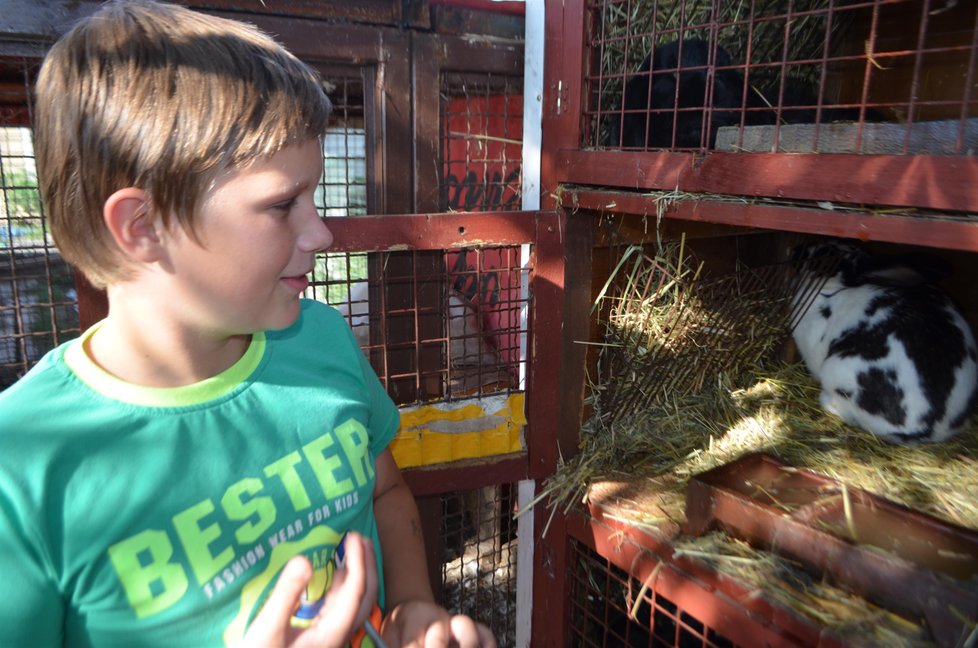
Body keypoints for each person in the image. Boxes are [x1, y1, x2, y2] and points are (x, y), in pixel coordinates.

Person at [0, 2, 496, 647]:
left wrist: (410, 606)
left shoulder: (321, 339)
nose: (319, 231)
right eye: (281, 205)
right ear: (142, 227)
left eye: (312, 198)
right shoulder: (24, 467)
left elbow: (386, 492)